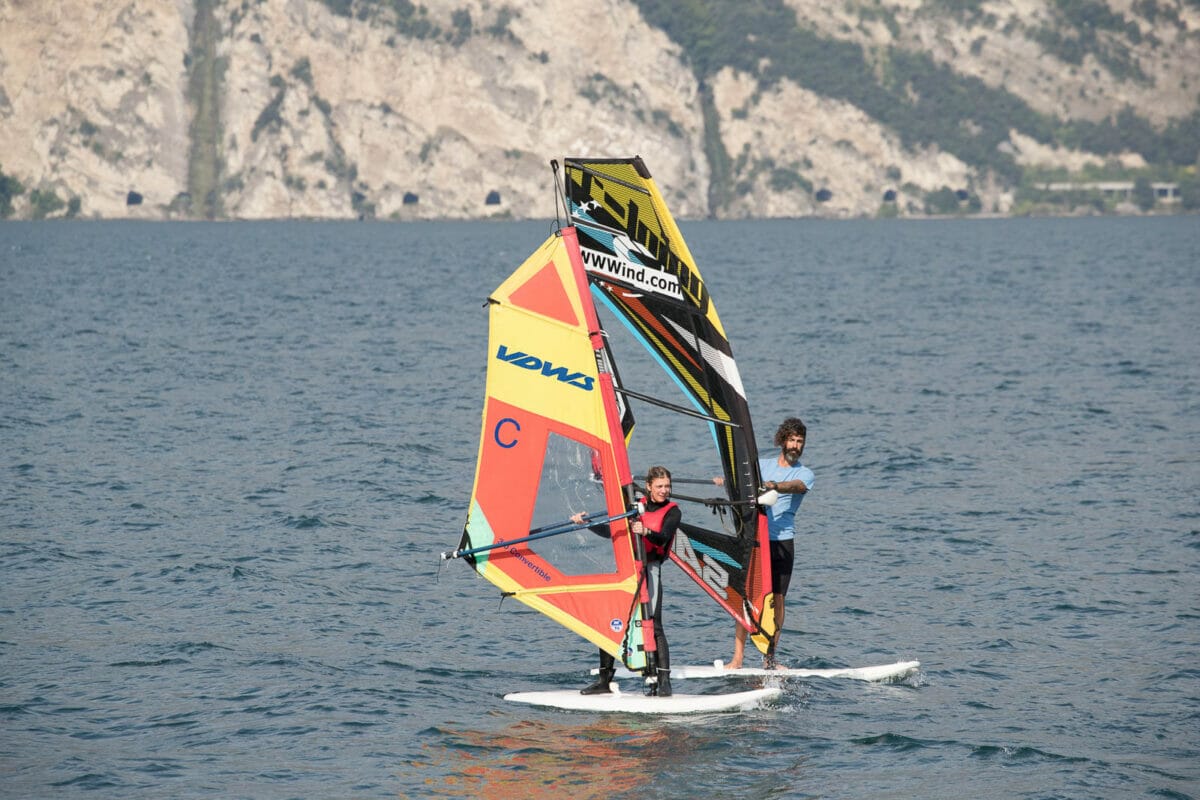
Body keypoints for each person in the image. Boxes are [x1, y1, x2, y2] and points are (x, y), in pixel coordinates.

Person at [574, 466, 679, 697]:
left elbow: (663, 538)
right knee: (610, 621)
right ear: (649, 486)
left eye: (667, 486)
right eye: (660, 486)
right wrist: (587, 523)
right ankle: (604, 680)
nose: (664, 490)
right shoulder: (635, 507)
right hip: (627, 571)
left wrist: (646, 532)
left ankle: (664, 681)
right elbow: (613, 530)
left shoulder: (672, 511)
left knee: (654, 624)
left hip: (650, 569)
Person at [727, 417, 814, 669]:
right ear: (782, 441)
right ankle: (738, 658)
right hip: (756, 541)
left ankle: (770, 659)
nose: (796, 445)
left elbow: (796, 487)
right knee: (746, 597)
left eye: (800, 441)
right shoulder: (760, 466)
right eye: (792, 440)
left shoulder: (804, 474)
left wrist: (775, 485)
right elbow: (737, 482)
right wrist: (725, 482)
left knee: (777, 600)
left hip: (782, 544)